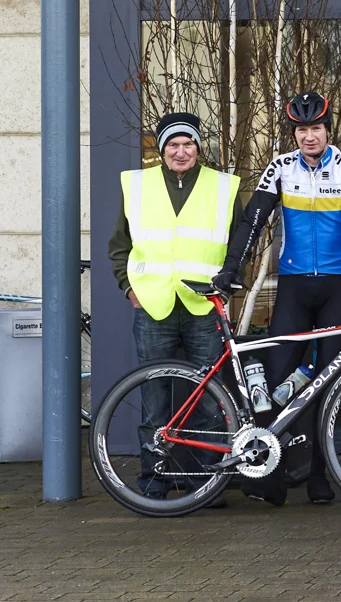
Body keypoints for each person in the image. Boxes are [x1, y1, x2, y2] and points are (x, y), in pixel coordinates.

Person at [215, 92, 341, 506]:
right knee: (277, 381)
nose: (310, 136)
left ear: (329, 129)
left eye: (316, 128)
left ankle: (318, 477)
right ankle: (270, 476)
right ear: (294, 133)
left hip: (337, 288)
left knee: (327, 383)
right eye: (302, 130)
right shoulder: (281, 169)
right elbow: (253, 219)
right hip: (292, 286)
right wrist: (232, 267)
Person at [110, 112, 240, 504]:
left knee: (209, 400)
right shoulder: (138, 185)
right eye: (173, 145)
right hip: (153, 305)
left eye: (188, 145)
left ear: (199, 149)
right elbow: (120, 244)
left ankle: (207, 483)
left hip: (203, 307)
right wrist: (129, 288)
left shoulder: (222, 187)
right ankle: (156, 480)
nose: (181, 152)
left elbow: (236, 246)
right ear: (162, 150)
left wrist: (228, 291)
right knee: (155, 400)